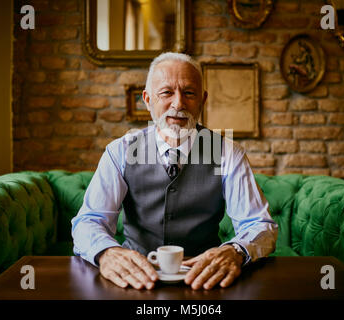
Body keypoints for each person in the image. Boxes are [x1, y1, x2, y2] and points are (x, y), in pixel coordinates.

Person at [71, 52, 278, 291]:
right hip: (133, 283)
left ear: (202, 99)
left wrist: (235, 251)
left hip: (206, 282)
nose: (178, 103)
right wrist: (107, 253)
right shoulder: (121, 151)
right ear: (147, 99)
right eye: (167, 92)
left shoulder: (227, 152)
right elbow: (89, 221)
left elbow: (260, 225)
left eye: (189, 93)